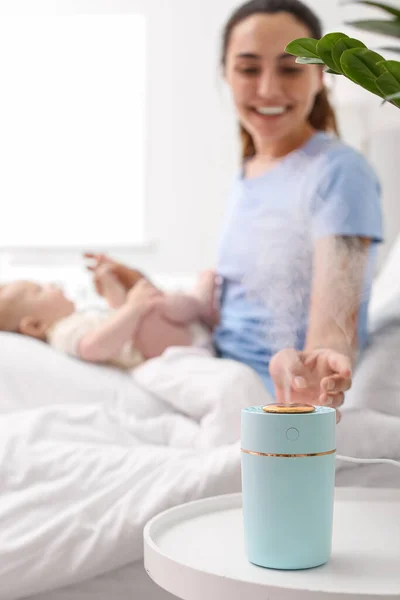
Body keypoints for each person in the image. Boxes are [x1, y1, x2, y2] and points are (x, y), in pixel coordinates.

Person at [85, 0, 382, 422]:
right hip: (213, 366)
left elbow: (336, 323)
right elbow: (242, 308)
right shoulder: (249, 173)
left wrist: (314, 373)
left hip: (262, 392)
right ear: (225, 74)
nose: (267, 89)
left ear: (320, 76)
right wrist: (144, 288)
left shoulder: (339, 173)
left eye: (290, 68)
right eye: (248, 69)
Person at [0, 266, 217, 368]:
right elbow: (93, 347)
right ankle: (199, 303)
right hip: (156, 351)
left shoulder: (79, 318)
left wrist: (110, 286)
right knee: (154, 304)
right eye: (40, 290)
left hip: (165, 339)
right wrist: (134, 307)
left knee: (149, 300)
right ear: (35, 325)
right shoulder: (63, 332)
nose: (52, 286)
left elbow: (116, 315)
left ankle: (200, 308)